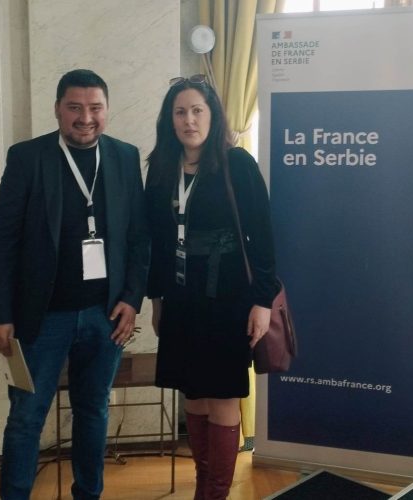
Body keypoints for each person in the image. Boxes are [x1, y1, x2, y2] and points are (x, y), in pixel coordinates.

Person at [0, 69, 149, 500]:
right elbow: (3, 239)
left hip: (105, 316)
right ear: (57, 109)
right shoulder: (27, 157)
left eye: (95, 108)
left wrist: (132, 299)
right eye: (75, 107)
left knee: (93, 412)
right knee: (27, 417)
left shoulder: (125, 157)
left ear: (107, 110)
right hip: (40, 319)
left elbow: (138, 237)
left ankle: (88, 495)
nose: (85, 118)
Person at [145, 75, 280, 500]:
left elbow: (263, 236)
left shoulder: (236, 164)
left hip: (229, 299)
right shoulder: (161, 168)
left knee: (221, 396)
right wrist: (156, 299)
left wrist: (262, 301)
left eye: (197, 111)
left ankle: (215, 494)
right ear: (170, 120)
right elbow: (156, 240)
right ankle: (203, 486)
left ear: (212, 115)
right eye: (180, 112)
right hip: (180, 297)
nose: (189, 120)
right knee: (193, 394)